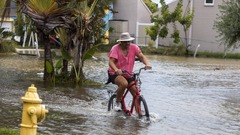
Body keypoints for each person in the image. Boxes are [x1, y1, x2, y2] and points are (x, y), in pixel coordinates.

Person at [107, 32, 151, 111]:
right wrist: (116, 70)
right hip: (115, 74)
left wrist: (147, 64)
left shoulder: (134, 48)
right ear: (121, 42)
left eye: (128, 41)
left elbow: (141, 56)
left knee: (136, 93)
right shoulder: (115, 48)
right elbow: (111, 62)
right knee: (124, 83)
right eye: (125, 42)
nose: (127, 43)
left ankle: (139, 114)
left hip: (128, 74)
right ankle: (117, 102)